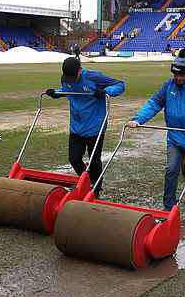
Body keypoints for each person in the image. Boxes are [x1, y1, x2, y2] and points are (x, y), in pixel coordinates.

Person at [128, 50, 185, 218]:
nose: (178, 79)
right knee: (171, 169)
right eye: (175, 75)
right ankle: (168, 207)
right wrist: (138, 119)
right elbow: (154, 104)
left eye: (182, 76)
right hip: (175, 137)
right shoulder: (168, 86)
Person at [45, 57, 125, 196]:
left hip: (95, 126)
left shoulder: (93, 77)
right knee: (74, 158)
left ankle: (96, 189)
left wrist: (105, 92)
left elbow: (120, 85)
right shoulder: (66, 79)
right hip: (76, 126)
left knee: (94, 160)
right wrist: (56, 93)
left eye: (73, 77)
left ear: (80, 71)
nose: (70, 80)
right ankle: (87, 183)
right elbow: (67, 90)